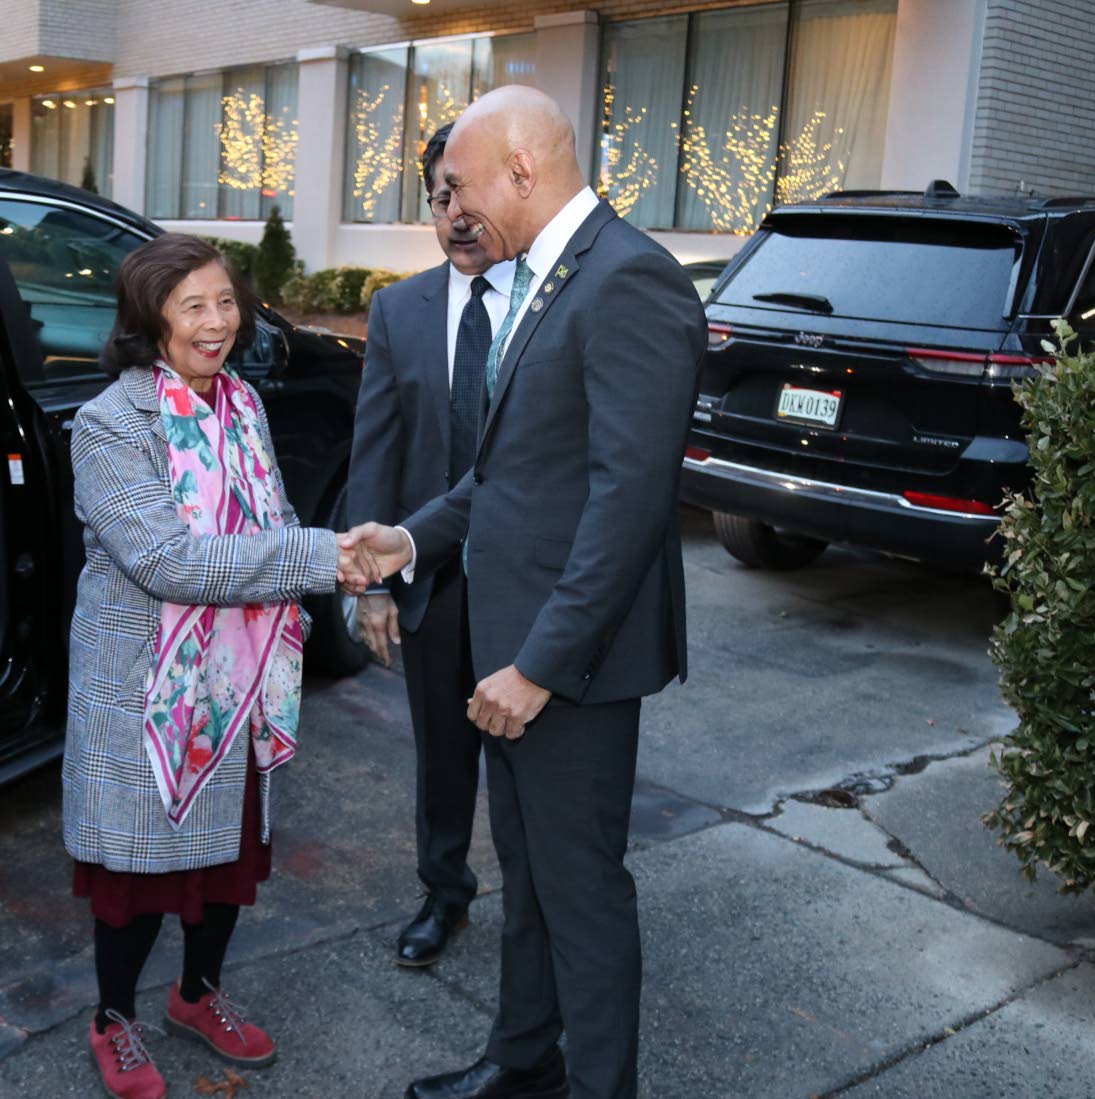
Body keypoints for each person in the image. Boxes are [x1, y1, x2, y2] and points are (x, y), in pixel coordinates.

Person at [342, 86, 706, 1099]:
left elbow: (628, 504)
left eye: (460, 185)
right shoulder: (555, 275)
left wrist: (539, 666)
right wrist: (408, 539)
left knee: (580, 890)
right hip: (517, 648)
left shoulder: (628, 281)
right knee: (532, 877)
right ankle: (523, 1058)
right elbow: (509, 473)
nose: (451, 206)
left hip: (567, 665)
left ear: (521, 170)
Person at [63, 233, 376, 1099]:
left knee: (227, 863)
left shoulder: (241, 404)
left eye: (227, 302)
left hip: (238, 682)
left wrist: (332, 560)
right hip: (148, 689)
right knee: (135, 875)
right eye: (193, 306)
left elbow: (271, 516)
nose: (217, 322)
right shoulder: (109, 425)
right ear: (149, 318)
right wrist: (323, 557)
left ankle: (196, 995)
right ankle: (113, 1019)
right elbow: (168, 561)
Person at [347, 121, 516, 968]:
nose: (455, 213)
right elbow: (375, 446)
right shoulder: (397, 309)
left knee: (529, 766)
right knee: (443, 757)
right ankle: (444, 892)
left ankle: (541, 908)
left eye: (466, 193)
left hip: (527, 581)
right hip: (430, 578)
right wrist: (369, 584)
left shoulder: (549, 303)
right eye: (439, 197)